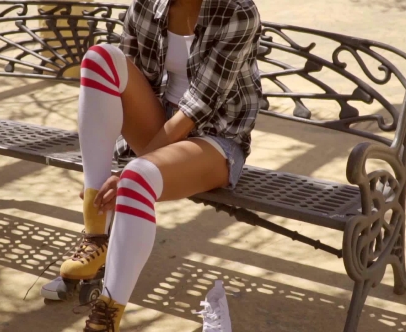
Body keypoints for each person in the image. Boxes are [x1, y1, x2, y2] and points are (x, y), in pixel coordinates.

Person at [43, 0, 261, 330]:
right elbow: (126, 84)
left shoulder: (236, 11)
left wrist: (137, 162)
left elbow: (199, 106)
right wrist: (130, 155)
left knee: (134, 178)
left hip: (216, 139)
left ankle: (109, 311)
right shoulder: (148, 4)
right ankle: (96, 231)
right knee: (100, 59)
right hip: (159, 126)